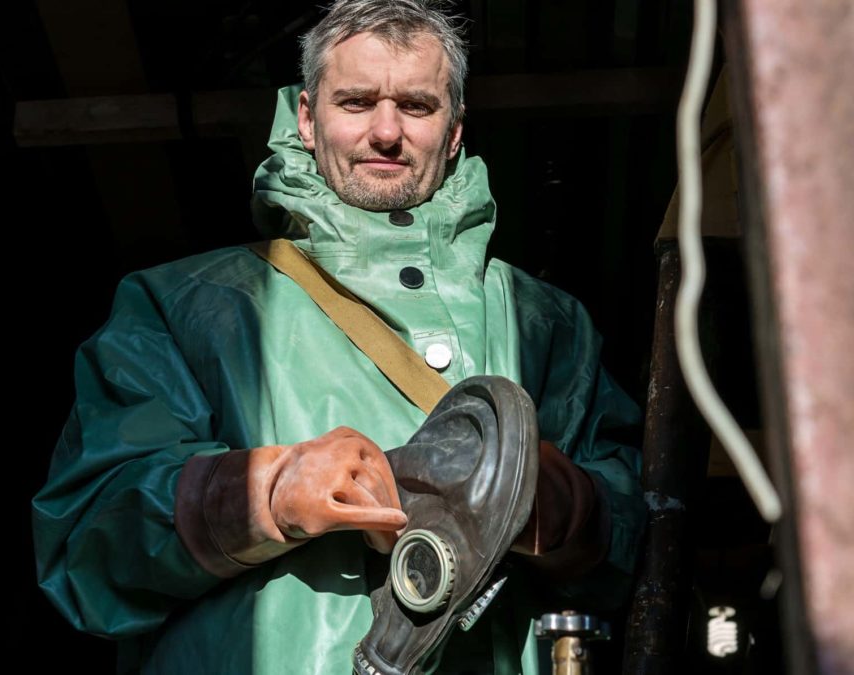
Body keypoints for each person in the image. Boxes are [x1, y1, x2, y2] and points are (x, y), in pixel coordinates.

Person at [32, 1, 645, 672]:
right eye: (356, 102)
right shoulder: (180, 304)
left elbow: (646, 555)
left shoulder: (547, 321)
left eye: (416, 106)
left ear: (455, 131)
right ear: (306, 117)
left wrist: (572, 511)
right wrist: (262, 494)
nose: (386, 131)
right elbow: (83, 548)